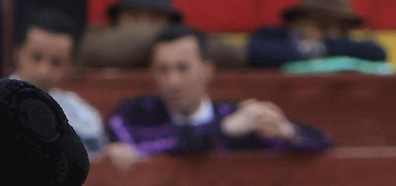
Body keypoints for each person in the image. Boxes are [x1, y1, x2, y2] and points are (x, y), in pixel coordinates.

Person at [104, 27, 331, 168]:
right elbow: (146, 144)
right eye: (163, 70)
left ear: (207, 70)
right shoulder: (133, 114)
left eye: (183, 68)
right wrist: (222, 130)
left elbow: (321, 143)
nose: (172, 81)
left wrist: (287, 131)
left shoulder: (234, 118)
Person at [0, 8, 104, 155]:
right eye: (36, 57)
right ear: (17, 52)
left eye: (56, 62)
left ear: (70, 66)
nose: (43, 71)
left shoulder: (84, 118)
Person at [78, 0, 245, 69]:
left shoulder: (187, 40)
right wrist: (165, 34)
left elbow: (236, 55)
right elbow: (91, 50)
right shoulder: (97, 38)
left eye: (154, 18)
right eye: (133, 17)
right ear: (116, 21)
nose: (143, 26)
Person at [248, 0, 388, 68]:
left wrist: (319, 48)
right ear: (299, 22)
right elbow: (254, 53)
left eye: (343, 29)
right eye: (323, 26)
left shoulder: (352, 47)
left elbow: (377, 52)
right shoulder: (269, 36)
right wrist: (301, 51)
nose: (334, 35)